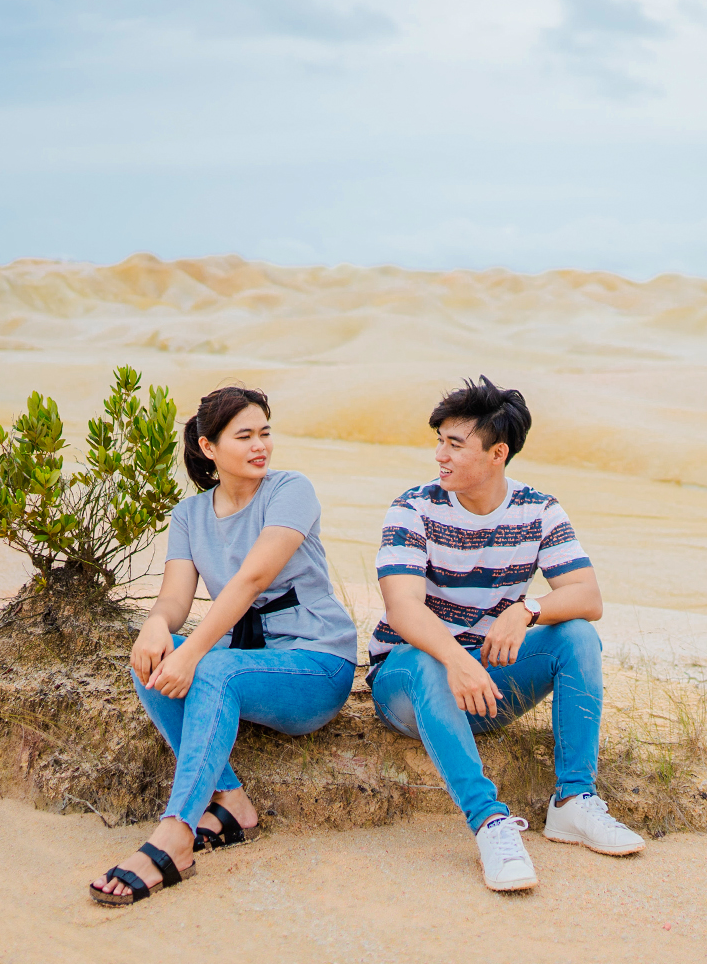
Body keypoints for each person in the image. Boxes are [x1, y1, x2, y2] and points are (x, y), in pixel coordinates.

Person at [368, 376, 644, 892]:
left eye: (455, 444)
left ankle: (573, 803)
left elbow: (588, 596)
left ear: (498, 453)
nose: (439, 456)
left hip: (487, 684)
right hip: (409, 680)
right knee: (430, 659)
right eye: (439, 442)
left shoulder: (537, 509)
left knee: (577, 635)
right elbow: (402, 609)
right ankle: (491, 823)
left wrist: (526, 609)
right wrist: (458, 659)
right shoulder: (413, 508)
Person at [90, 385, 358, 905]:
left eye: (265, 433)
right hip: (246, 662)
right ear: (209, 447)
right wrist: (155, 628)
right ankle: (231, 801)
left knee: (210, 669)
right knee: (155, 657)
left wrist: (194, 654)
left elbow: (252, 579)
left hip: (317, 664)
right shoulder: (189, 515)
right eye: (245, 436)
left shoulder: (290, 490)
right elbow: (173, 598)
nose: (261, 446)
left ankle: (176, 834)